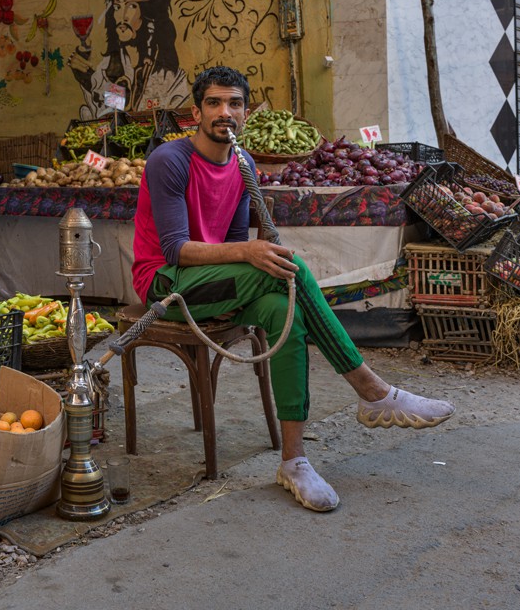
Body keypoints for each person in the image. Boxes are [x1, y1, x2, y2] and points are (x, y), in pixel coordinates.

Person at [131, 65, 455, 512]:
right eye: (214, 103)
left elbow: (230, 242)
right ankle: (371, 389)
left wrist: (250, 254)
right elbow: (173, 249)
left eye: (235, 103)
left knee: (289, 310)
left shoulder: (242, 164)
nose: (225, 112)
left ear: (246, 113)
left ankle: (294, 461)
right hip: (166, 285)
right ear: (196, 111)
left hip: (212, 282)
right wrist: (250, 255)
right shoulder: (169, 160)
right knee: (295, 267)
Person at [69, 0, 190, 119]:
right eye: (118, 6)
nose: (123, 16)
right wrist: (87, 79)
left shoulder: (172, 78)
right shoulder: (109, 68)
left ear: (151, 14)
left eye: (132, 5)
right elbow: (109, 119)